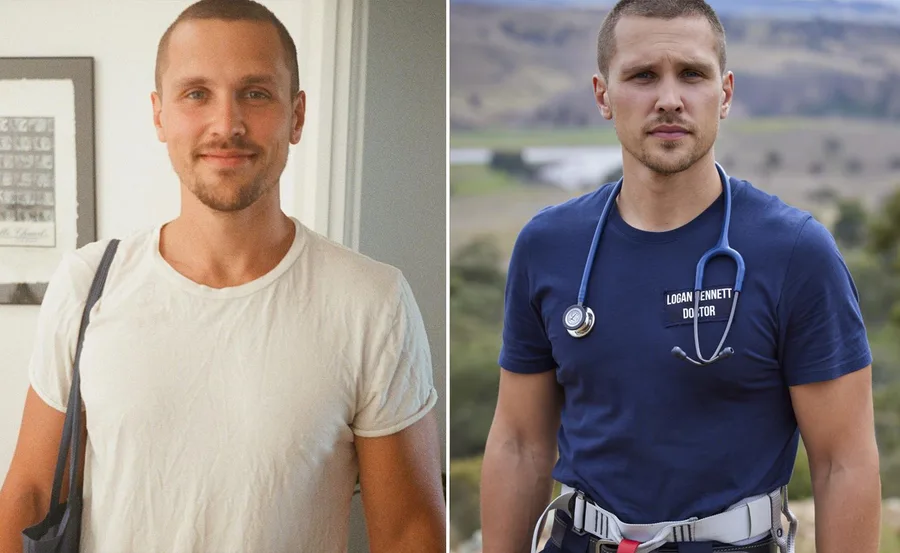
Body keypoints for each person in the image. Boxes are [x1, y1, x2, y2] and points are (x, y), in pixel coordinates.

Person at [0, 1, 445, 552]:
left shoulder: (372, 302)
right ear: (159, 115)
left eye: (255, 93)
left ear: (297, 115)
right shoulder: (87, 285)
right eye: (196, 94)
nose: (227, 124)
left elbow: (408, 532)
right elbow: (30, 493)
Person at [480, 1, 881, 553]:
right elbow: (520, 445)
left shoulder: (795, 252)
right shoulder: (548, 246)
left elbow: (843, 462)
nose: (669, 98)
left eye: (692, 74)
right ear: (603, 95)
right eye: (643, 75)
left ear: (725, 93)